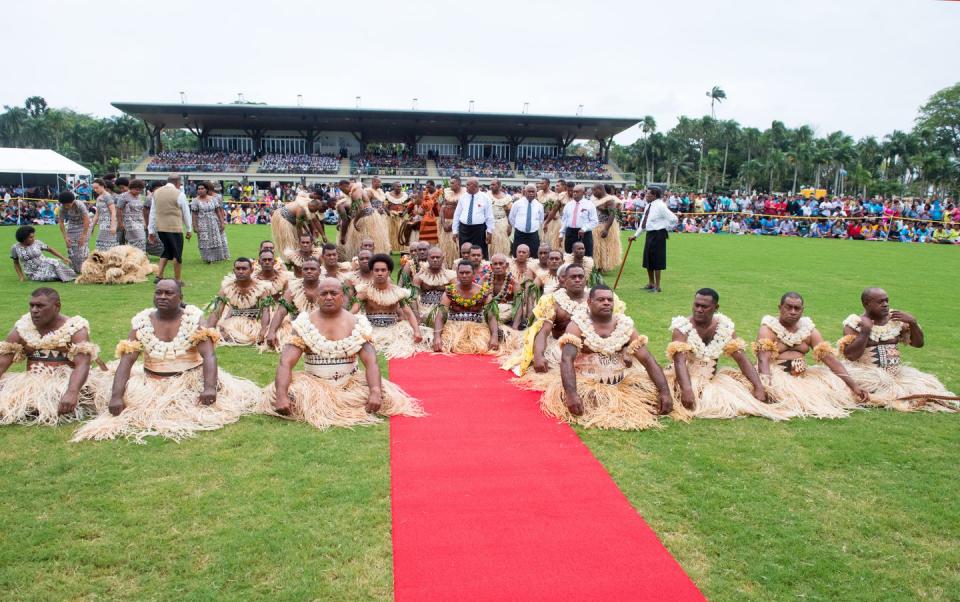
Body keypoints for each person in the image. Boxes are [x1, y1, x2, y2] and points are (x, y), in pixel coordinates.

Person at [72, 280, 261, 442]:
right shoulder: (141, 323)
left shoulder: (194, 320)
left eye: (169, 293)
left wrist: (209, 387)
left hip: (189, 380)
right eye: (158, 293)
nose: (162, 296)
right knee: (133, 414)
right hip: (151, 382)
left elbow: (209, 356)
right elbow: (126, 363)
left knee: (196, 413)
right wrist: (116, 396)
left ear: (179, 297)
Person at [263, 278, 424, 429]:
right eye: (323, 294)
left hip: (349, 383)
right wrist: (282, 394)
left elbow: (371, 363)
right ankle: (318, 404)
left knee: (385, 396)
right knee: (284, 394)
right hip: (314, 385)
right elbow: (286, 362)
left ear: (343, 297)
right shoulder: (304, 324)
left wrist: (375, 391)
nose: (328, 297)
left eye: (333, 293)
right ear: (317, 297)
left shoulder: (357, 323)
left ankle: (336, 406)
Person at [541, 285, 684, 430]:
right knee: (588, 403)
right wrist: (571, 394)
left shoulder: (625, 325)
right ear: (589, 302)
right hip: (588, 383)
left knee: (651, 400)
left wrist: (664, 392)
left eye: (609, 300)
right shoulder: (576, 325)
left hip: (620, 382)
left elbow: (647, 359)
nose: (606, 302)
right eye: (601, 299)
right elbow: (567, 360)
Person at [667, 289, 783, 420]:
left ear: (716, 308)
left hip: (711, 380)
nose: (699, 309)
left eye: (704, 307)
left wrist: (758, 386)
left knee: (742, 403)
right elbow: (679, 361)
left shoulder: (724, 327)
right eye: (696, 305)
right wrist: (686, 390)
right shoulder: (682, 327)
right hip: (684, 379)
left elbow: (741, 359)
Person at [754, 292, 870, 418]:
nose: (793, 312)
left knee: (835, 392)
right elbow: (762, 359)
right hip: (776, 376)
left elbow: (830, 359)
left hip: (802, 376)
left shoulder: (808, 330)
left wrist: (853, 386)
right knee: (792, 399)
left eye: (797, 308)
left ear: (802, 310)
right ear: (780, 307)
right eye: (788, 307)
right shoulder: (768, 329)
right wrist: (766, 386)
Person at [838, 288, 956, 411]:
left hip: (896, 374)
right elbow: (851, 356)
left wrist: (913, 323)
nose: (885, 305)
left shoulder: (895, 321)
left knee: (923, 390)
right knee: (872, 392)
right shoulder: (855, 323)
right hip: (866, 374)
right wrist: (865, 331)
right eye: (880, 302)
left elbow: (918, 344)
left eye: (886, 301)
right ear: (867, 303)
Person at [0, 288, 105, 425]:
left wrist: (72, 392)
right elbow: (2, 362)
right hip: (32, 382)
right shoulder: (23, 327)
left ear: (57, 306)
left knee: (48, 401)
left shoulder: (75, 328)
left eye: (40, 306)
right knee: (11, 399)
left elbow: (82, 365)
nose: (34, 310)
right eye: (32, 305)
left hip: (64, 383)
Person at [350, 254, 425, 358]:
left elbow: (408, 312)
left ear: (389, 272)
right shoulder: (364, 291)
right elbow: (353, 310)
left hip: (393, 329)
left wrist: (417, 331)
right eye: (376, 270)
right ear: (372, 272)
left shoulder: (397, 292)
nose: (379, 273)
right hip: (371, 330)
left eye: (383, 270)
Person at [431, 261, 500, 354]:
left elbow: (491, 316)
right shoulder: (450, 291)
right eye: (461, 273)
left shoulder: (484, 292)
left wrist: (494, 336)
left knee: (482, 347)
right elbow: (441, 315)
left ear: (474, 274)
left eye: (467, 273)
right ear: (457, 274)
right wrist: (437, 337)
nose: (464, 275)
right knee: (447, 345)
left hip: (478, 330)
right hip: (454, 329)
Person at [207, 258, 273, 347]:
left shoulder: (261, 288)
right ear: (234, 271)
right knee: (222, 331)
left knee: (257, 335)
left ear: (251, 270)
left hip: (255, 322)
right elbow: (217, 311)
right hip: (234, 321)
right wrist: (209, 330)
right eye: (238, 269)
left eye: (244, 269)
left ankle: (242, 337)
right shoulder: (226, 288)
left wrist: (263, 330)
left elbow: (266, 311)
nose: (241, 271)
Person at [266, 256, 324, 349]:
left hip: (322, 326)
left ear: (319, 271)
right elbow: (281, 312)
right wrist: (271, 332)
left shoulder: (327, 288)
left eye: (313, 269)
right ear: (302, 271)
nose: (309, 271)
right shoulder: (292, 289)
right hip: (298, 328)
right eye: (306, 269)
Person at [629, 187, 678, 293]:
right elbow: (644, 223)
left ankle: (657, 286)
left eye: (648, 195)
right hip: (650, 234)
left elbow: (674, 219)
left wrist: (665, 228)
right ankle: (651, 283)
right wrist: (635, 235)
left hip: (659, 235)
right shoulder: (648, 206)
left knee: (657, 260)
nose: (646, 196)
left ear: (654, 196)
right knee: (648, 259)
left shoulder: (660, 205)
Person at [148, 176, 192, 283]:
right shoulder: (179, 194)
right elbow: (186, 212)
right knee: (177, 254)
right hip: (174, 228)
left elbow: (152, 213)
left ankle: (159, 275)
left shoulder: (156, 193)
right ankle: (177, 279)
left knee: (166, 251)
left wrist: (151, 231)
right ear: (177, 182)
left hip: (161, 228)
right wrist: (189, 229)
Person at [11, 225, 76, 282]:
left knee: (56, 263)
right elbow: (16, 263)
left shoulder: (37, 243)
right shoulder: (15, 248)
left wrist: (63, 258)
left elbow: (50, 249)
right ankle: (62, 277)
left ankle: (68, 276)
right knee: (46, 277)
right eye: (31, 237)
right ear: (23, 238)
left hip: (45, 264)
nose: (33, 239)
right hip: (32, 272)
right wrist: (21, 277)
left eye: (33, 236)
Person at [451, 177, 494, 259]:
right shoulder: (463, 197)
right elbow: (457, 215)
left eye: (467, 185)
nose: (465, 187)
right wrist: (455, 231)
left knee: (478, 252)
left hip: (479, 230)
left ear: (475, 186)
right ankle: (465, 268)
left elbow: (489, 216)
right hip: (464, 229)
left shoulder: (485, 198)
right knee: (464, 252)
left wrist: (489, 232)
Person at [411, 246, 456, 320]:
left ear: (443, 258)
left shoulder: (451, 276)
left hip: (445, 308)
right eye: (432, 257)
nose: (435, 260)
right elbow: (413, 298)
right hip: (423, 309)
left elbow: (457, 295)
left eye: (438, 257)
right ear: (427, 258)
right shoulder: (419, 276)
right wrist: (416, 315)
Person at [191, 182, 230, 263]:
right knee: (205, 240)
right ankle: (208, 259)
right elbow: (194, 214)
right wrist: (194, 226)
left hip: (213, 222)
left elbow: (218, 211)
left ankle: (217, 257)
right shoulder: (195, 201)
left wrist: (222, 222)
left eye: (202, 189)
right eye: (199, 189)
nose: (200, 190)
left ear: (206, 190)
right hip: (202, 223)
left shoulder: (213, 198)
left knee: (215, 239)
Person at [559, 184, 598, 256]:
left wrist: (584, 228)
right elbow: (564, 221)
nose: (574, 193)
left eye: (577, 192)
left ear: (583, 193)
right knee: (569, 255)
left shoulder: (590, 204)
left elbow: (594, 221)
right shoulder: (568, 205)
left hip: (584, 234)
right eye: (573, 191)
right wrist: (561, 234)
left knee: (586, 255)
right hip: (570, 232)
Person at [591, 184, 622, 272]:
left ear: (600, 189)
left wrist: (606, 229)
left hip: (605, 225)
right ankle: (597, 265)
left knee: (604, 247)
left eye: (594, 191)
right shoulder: (594, 199)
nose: (593, 193)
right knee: (596, 247)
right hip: (595, 225)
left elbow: (612, 214)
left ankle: (602, 266)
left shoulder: (610, 200)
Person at [57, 191, 90, 272]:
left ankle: (86, 268)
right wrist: (65, 237)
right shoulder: (62, 208)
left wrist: (84, 236)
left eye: (68, 205)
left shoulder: (80, 205)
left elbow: (87, 220)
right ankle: (73, 268)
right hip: (71, 226)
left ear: (73, 201)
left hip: (83, 225)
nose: (66, 207)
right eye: (64, 205)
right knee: (70, 248)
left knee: (82, 248)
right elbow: (61, 222)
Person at [508, 184, 544, 256]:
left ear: (536, 193)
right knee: (518, 255)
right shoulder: (517, 204)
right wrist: (519, 226)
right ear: (525, 192)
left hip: (533, 235)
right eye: (529, 191)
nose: (531, 193)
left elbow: (540, 219)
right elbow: (511, 218)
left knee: (534, 255)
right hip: (520, 234)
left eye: (533, 191)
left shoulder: (539, 205)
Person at [439, 176, 465, 267]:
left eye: (452, 183)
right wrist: (443, 223)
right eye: (450, 183)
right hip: (445, 222)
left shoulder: (464, 194)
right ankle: (445, 264)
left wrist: (453, 224)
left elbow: (463, 211)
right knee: (444, 246)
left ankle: (455, 265)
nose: (450, 185)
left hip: (457, 224)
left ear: (459, 184)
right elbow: (442, 209)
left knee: (456, 246)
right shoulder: (446, 193)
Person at [115, 179, 147, 252]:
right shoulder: (124, 196)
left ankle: (139, 255)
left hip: (139, 222)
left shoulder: (139, 197)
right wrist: (120, 222)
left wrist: (144, 221)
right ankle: (133, 255)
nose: (138, 192)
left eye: (140, 190)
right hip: (129, 222)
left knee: (142, 239)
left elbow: (141, 210)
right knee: (137, 239)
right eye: (136, 190)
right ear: (131, 188)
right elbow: (119, 209)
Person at [91, 178, 118, 251]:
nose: (95, 190)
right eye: (94, 188)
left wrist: (113, 225)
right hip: (102, 224)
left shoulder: (107, 196)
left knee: (109, 246)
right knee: (101, 246)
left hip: (109, 224)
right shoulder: (98, 197)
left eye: (97, 188)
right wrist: (92, 226)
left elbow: (113, 211)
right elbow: (97, 213)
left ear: (102, 186)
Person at [488, 179, 513, 257]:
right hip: (490, 223)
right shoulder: (487, 195)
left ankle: (503, 259)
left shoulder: (507, 198)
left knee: (503, 243)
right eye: (491, 185)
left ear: (499, 186)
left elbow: (509, 213)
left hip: (502, 223)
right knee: (491, 244)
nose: (491, 186)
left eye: (493, 185)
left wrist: (510, 226)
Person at [537, 178, 561, 251]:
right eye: (540, 183)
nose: (540, 185)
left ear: (548, 184)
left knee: (548, 239)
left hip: (550, 221)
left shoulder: (554, 195)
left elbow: (554, 210)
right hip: (539, 219)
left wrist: (547, 214)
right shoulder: (538, 193)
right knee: (539, 238)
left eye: (542, 183)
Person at [385, 182, 409, 252]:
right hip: (391, 219)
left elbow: (407, 207)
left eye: (400, 186)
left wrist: (404, 213)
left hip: (401, 219)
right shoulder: (387, 195)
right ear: (393, 187)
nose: (399, 188)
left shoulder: (405, 196)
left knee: (401, 234)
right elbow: (384, 206)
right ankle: (391, 248)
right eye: (398, 186)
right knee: (391, 235)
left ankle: (401, 249)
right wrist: (389, 212)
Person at [417, 180, 442, 246]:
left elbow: (441, 205)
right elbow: (420, 209)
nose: (427, 188)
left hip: (437, 219)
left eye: (429, 187)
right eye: (426, 187)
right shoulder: (425, 194)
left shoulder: (440, 193)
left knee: (436, 238)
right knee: (426, 238)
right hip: (426, 220)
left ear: (433, 186)